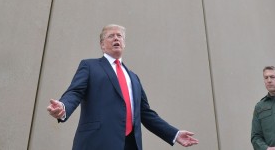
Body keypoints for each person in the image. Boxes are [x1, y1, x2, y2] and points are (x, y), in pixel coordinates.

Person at [47, 24, 199, 150]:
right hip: (96, 143)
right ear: (102, 44)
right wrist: (63, 106)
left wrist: (175, 134)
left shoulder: (133, 78)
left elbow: (146, 114)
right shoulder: (90, 66)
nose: (116, 38)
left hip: (130, 145)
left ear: (124, 43)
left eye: (119, 36)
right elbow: (75, 92)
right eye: (111, 36)